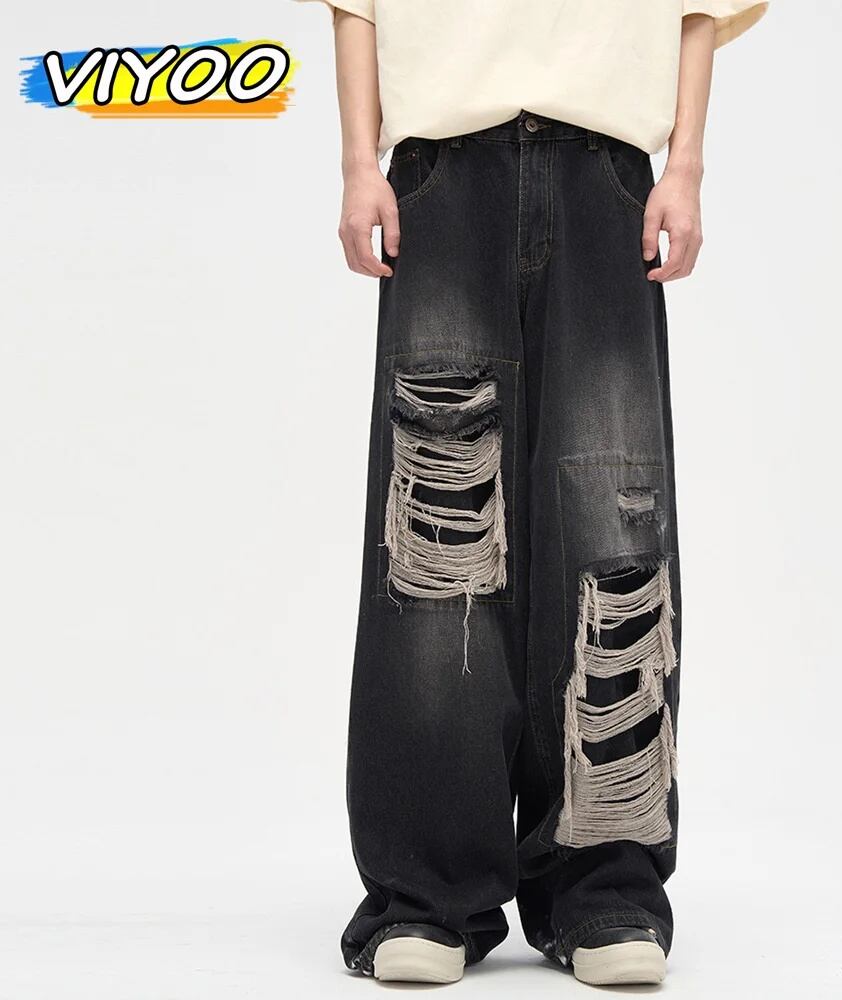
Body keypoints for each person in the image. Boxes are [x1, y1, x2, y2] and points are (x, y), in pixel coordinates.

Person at [298, 0, 766, 986]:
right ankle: (425, 894)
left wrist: (685, 167)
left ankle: (604, 888)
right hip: (441, 170)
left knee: (613, 520)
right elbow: (356, 6)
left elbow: (699, 8)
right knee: (439, 537)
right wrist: (356, 163)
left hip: (608, 173)